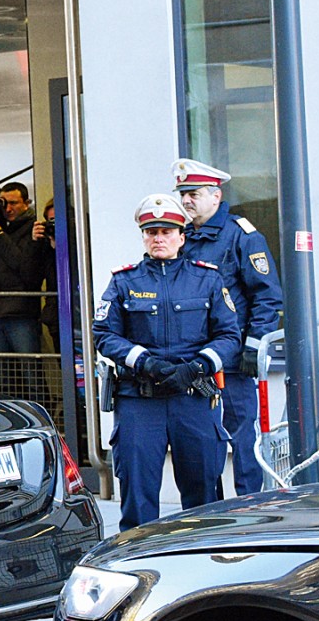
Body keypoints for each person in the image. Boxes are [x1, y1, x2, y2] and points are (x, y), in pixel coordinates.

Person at [95, 193, 242, 529]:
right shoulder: (124, 281)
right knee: (137, 492)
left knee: (203, 492)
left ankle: (202, 553)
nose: (158, 239)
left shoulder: (207, 279)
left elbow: (229, 335)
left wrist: (199, 367)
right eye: (151, 232)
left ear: (181, 236)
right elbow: (104, 334)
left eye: (166, 232)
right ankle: (139, 555)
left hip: (193, 398)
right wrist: (144, 362)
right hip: (140, 400)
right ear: (143, 237)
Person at [174, 159, 285, 497]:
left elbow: (266, 296)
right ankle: (210, 508)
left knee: (242, 436)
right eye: (182, 194)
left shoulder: (242, 236)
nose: (186, 200)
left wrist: (254, 345)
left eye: (193, 194)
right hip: (193, 359)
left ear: (216, 196)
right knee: (201, 439)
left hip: (233, 360)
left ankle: (249, 503)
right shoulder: (181, 237)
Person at [0, 182, 50, 354]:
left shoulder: (34, 228)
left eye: (14, 203)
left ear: (26, 203)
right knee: (0, 366)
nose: (8, 209)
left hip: (20, 311)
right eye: (4, 203)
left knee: (29, 365)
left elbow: (22, 265)